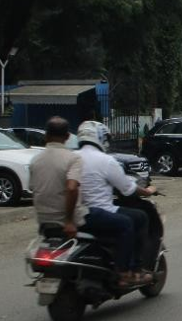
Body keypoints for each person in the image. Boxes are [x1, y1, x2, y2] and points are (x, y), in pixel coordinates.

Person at [76, 121, 157, 287]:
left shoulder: (72, 157)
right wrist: (147, 191)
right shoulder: (106, 160)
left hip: (74, 213)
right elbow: (127, 189)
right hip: (97, 212)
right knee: (139, 217)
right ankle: (130, 271)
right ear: (99, 137)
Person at [29, 116, 88, 239]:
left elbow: (33, 188)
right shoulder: (73, 158)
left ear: (46, 136)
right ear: (67, 136)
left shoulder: (35, 160)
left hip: (43, 220)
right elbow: (72, 188)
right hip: (67, 221)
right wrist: (69, 221)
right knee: (123, 224)